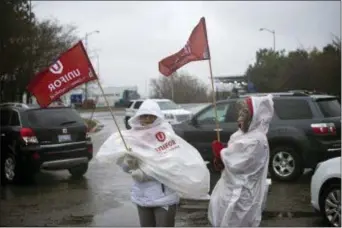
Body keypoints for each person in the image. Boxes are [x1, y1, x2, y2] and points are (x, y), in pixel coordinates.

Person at [208, 94, 274, 227]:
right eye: (240, 114)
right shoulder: (241, 135)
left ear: (254, 117)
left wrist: (221, 153)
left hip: (242, 196)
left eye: (244, 114)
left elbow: (239, 165)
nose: (239, 118)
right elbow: (230, 161)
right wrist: (220, 161)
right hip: (229, 190)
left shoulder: (257, 140)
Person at [119, 99, 180, 227]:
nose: (146, 119)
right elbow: (125, 168)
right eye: (143, 116)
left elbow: (171, 167)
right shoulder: (133, 137)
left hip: (164, 198)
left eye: (150, 116)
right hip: (142, 197)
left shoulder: (167, 137)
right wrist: (128, 162)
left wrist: (144, 175)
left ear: (157, 117)